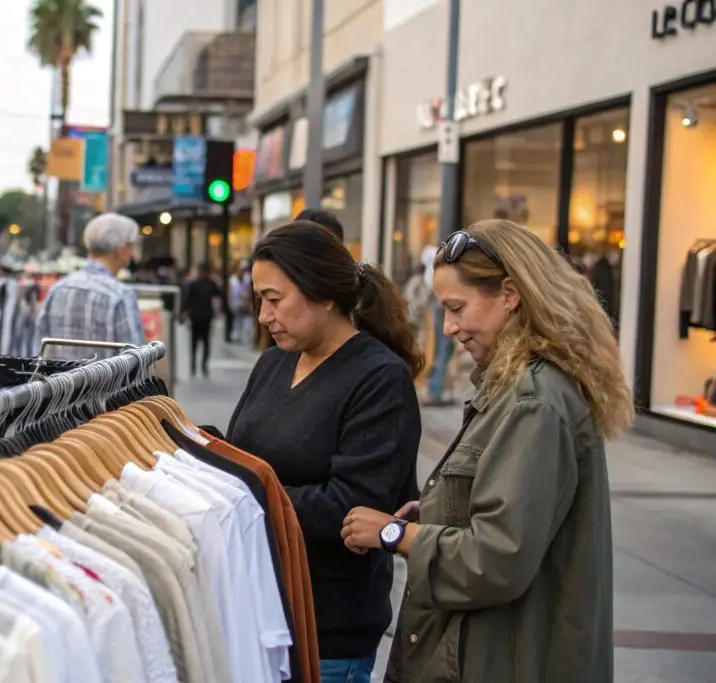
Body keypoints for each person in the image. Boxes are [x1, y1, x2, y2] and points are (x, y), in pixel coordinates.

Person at [341, 219, 634, 683]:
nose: (450, 326)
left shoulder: (532, 402)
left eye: (457, 308)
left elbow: (497, 559)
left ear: (510, 295)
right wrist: (439, 512)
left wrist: (397, 536)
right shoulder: (513, 390)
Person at [227, 221, 424, 683]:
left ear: (324, 293)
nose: (263, 315)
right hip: (258, 611)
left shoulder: (379, 378)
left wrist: (240, 488)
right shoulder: (275, 361)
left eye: (274, 299)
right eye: (259, 299)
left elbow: (352, 509)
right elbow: (245, 452)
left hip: (328, 629)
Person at [33, 213, 145, 359]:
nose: (133, 253)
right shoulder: (121, 295)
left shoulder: (58, 289)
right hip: (107, 382)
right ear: (122, 249)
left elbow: (39, 352)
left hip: (59, 381)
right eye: (132, 246)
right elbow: (135, 362)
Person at [181, 262, 223, 377]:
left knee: (194, 342)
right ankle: (204, 366)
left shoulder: (194, 284)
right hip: (207, 316)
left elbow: (187, 300)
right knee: (206, 342)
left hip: (195, 316)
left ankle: (193, 365)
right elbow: (218, 298)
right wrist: (218, 313)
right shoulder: (212, 284)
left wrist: (183, 313)